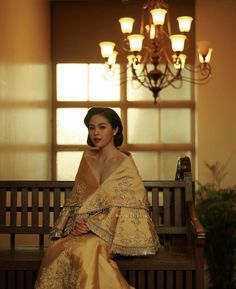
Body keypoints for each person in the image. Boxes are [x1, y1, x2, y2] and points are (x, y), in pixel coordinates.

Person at [35, 107, 160, 289]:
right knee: (56, 248)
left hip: (108, 233)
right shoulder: (87, 159)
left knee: (86, 249)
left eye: (102, 127)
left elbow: (131, 205)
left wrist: (93, 225)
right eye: (91, 127)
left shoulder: (125, 163)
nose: (95, 133)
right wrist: (76, 222)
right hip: (81, 231)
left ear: (115, 130)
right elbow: (76, 199)